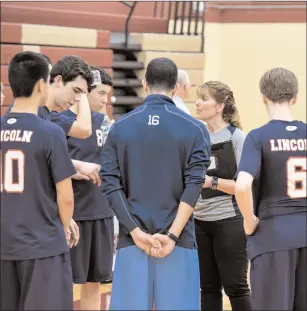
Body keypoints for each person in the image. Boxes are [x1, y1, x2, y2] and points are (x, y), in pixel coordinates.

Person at [100, 57, 211, 310]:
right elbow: (194, 186)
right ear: (175, 87)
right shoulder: (195, 129)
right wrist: (172, 235)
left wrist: (136, 232)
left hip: (132, 240)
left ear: (144, 84)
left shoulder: (119, 127)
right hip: (178, 241)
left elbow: (110, 183)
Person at [0, 51, 76, 310]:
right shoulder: (50, 132)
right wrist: (65, 226)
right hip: (41, 247)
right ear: (42, 85)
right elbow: (65, 196)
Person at [235, 67, 306, 311]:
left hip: (273, 237)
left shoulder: (258, 137)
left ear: (263, 97)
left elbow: (242, 185)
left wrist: (248, 220)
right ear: (295, 98)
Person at [53, 67, 115, 310]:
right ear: (84, 92)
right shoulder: (62, 123)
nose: (104, 100)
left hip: (102, 211)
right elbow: (54, 166)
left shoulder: (106, 123)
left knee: (95, 281)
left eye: (107, 94)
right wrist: (76, 171)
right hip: (74, 213)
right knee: (66, 280)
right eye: (100, 93)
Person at [194, 81, 251, 311]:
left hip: (230, 221)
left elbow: (243, 186)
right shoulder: (196, 136)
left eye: (204, 98)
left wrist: (212, 182)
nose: (197, 102)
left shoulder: (238, 138)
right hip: (199, 223)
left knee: (236, 288)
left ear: (219, 106)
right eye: (198, 98)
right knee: (207, 288)